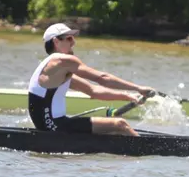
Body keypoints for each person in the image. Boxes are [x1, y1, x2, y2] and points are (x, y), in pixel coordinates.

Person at [28, 23, 156, 136]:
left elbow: (93, 90)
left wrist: (128, 96)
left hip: (49, 125)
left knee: (112, 130)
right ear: (56, 42)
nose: (74, 43)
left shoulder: (54, 69)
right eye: (69, 39)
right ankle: (148, 155)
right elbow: (102, 78)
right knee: (120, 124)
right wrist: (138, 88)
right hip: (54, 125)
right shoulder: (62, 60)